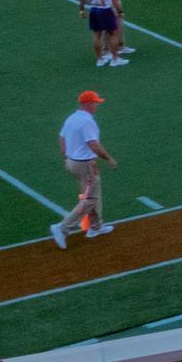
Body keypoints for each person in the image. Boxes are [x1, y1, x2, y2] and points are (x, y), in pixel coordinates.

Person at [51, 90, 115, 248]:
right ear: (87, 104)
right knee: (90, 199)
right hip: (85, 164)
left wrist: (67, 156)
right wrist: (109, 159)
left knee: (94, 193)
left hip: (73, 162)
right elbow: (93, 144)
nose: (96, 106)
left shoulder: (72, 118)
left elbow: (62, 138)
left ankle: (95, 227)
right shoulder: (87, 122)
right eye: (95, 103)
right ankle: (62, 228)